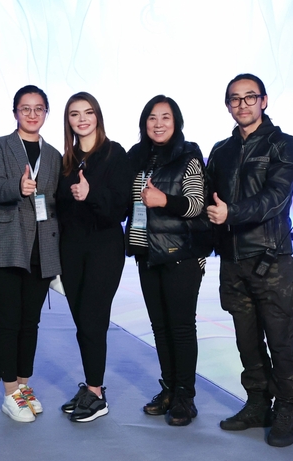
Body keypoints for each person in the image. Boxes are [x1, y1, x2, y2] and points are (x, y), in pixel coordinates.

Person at [206, 73, 293, 447]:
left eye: (250, 97)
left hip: (271, 261)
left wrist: (230, 214)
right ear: (228, 105)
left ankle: (286, 409)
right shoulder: (221, 150)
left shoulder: (283, 145)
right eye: (235, 99)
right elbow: (207, 204)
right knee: (247, 342)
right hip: (232, 263)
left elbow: (274, 198)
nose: (242, 104)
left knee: (280, 341)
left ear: (264, 100)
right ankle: (258, 402)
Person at [124, 95, 210, 427]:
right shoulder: (137, 157)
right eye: (152, 118)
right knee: (160, 328)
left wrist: (164, 200)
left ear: (176, 123)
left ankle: (185, 397)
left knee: (181, 327)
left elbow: (195, 204)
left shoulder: (187, 156)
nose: (158, 124)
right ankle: (170, 389)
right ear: (144, 123)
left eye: (166, 118)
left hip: (180, 253)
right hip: (146, 253)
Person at [0, 85, 62, 423]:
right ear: (15, 112)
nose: (31, 114)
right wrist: (18, 186)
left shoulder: (54, 155)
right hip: (4, 246)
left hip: (40, 249)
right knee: (9, 320)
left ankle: (24, 387)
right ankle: (10, 391)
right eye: (25, 108)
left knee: (31, 322)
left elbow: (53, 204)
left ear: (45, 113)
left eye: (38, 108)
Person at [56, 92, 131, 422]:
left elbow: (122, 206)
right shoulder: (66, 160)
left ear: (98, 116)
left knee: (92, 320)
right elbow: (59, 209)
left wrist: (91, 195)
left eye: (88, 112)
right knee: (81, 323)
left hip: (104, 248)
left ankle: (98, 393)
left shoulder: (115, 154)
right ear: (68, 120)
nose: (82, 119)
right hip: (71, 250)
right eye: (74, 114)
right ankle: (90, 386)